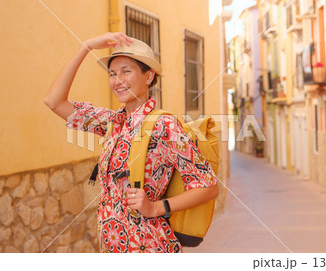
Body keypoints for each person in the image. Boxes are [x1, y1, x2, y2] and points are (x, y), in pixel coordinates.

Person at [44, 32, 219, 253]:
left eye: (126, 71)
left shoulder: (164, 126)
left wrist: (156, 207)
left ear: (148, 76)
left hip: (148, 246)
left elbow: (208, 187)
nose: (117, 81)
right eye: (112, 73)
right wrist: (86, 47)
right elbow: (54, 101)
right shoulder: (112, 122)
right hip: (113, 247)